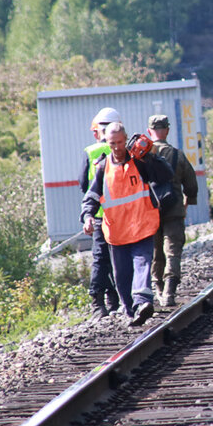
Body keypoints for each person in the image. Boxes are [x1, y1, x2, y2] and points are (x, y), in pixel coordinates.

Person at [81, 122, 166, 327]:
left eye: (120, 142)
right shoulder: (103, 167)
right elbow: (91, 195)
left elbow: (165, 175)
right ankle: (131, 312)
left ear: (126, 139)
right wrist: (88, 216)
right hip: (117, 232)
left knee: (142, 262)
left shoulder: (140, 161)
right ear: (107, 142)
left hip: (142, 226)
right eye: (112, 143)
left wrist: (150, 157)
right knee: (122, 277)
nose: (117, 147)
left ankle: (143, 302)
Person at [147, 114, 199, 308]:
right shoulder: (178, 154)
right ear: (167, 130)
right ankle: (169, 292)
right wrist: (188, 201)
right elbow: (191, 183)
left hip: (149, 211)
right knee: (172, 252)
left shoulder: (142, 155)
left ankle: (157, 288)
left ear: (149, 132)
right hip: (174, 210)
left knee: (155, 252)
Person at [80, 107, 122, 319]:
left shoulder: (90, 152)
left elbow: (83, 185)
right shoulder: (124, 150)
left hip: (97, 215)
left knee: (100, 259)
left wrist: (88, 212)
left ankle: (98, 302)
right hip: (121, 216)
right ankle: (114, 299)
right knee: (119, 258)